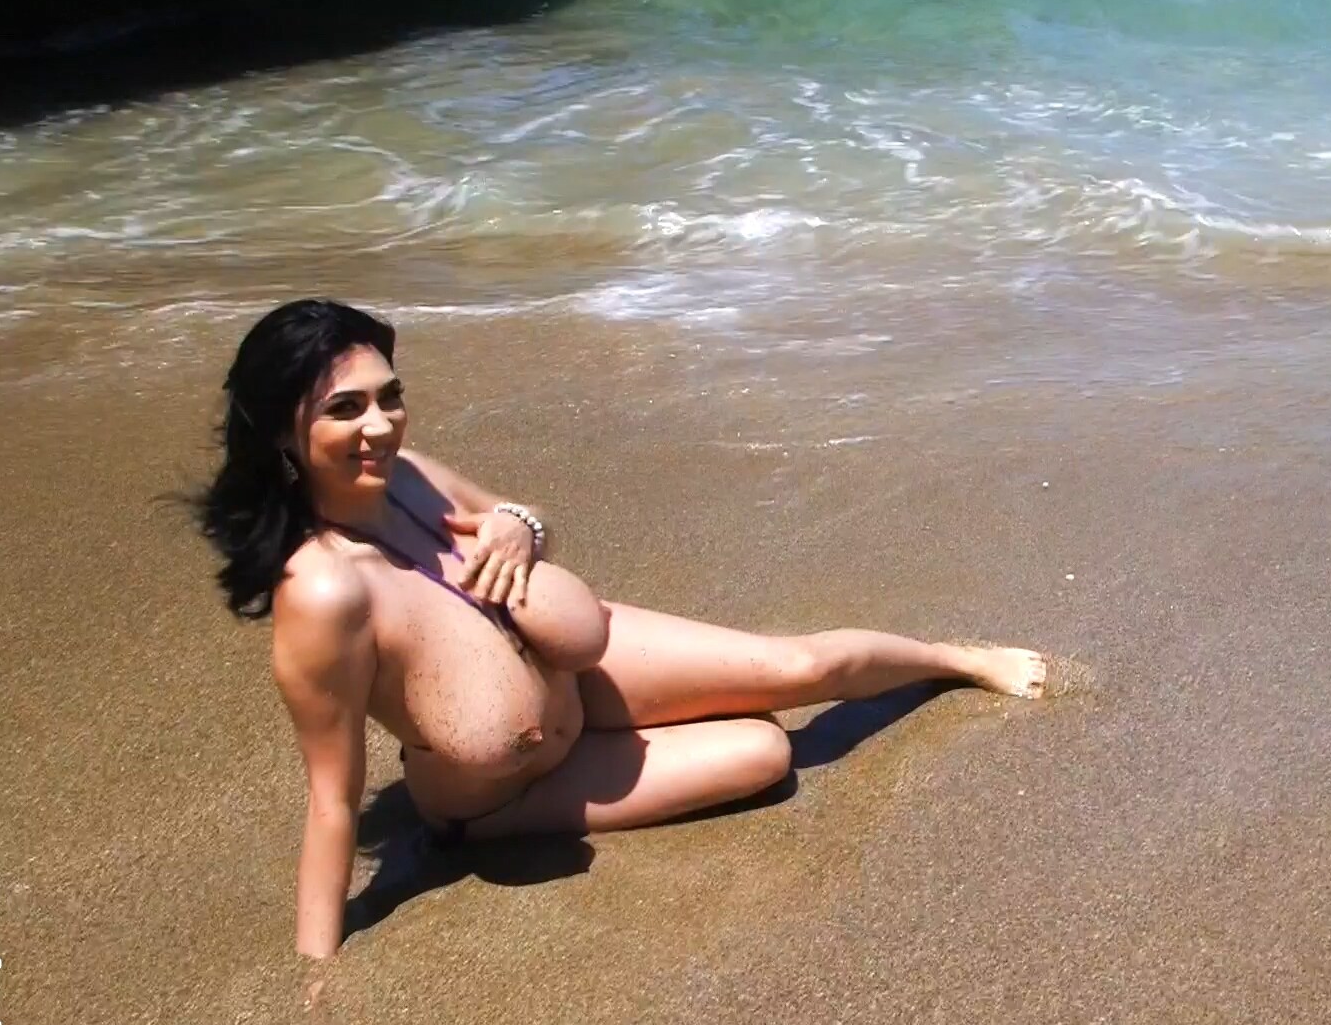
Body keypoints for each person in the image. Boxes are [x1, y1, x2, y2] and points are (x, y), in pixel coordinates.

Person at [192, 299, 1048, 960]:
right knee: (765, 753)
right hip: (510, 788)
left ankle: (957, 661)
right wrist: (318, 965)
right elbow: (333, 796)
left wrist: (519, 527)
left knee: (800, 666)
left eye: (391, 397)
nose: (380, 427)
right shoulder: (324, 593)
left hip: (576, 674)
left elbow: (526, 523)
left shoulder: (411, 475)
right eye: (346, 409)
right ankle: (471, 832)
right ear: (284, 433)